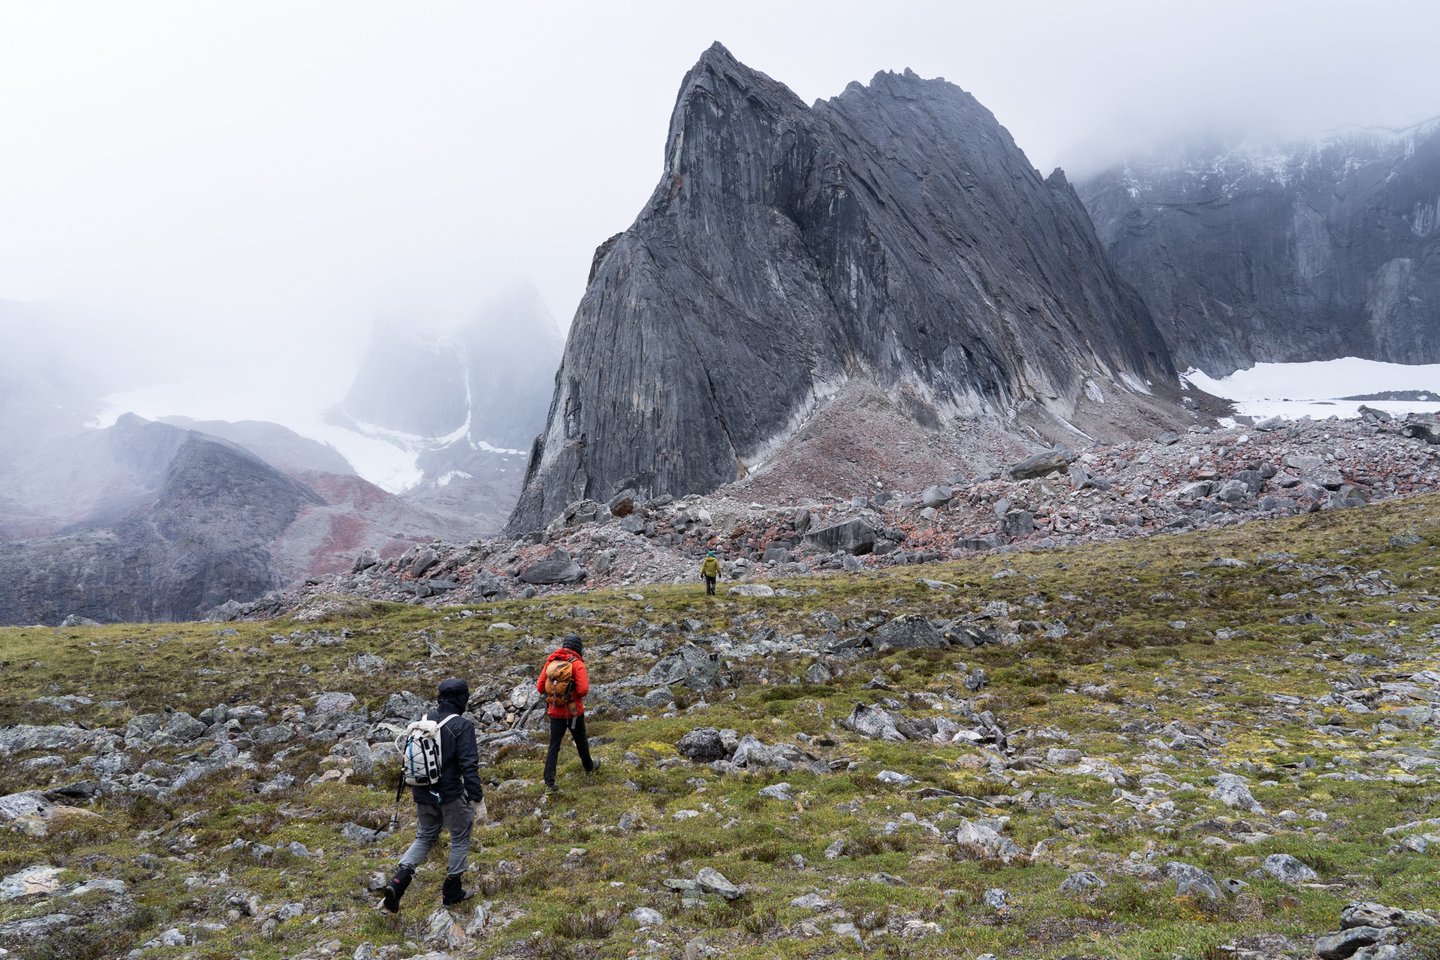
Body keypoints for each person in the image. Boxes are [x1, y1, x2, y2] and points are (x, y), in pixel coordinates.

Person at [380, 677, 484, 912]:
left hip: (422, 793)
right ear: (461, 699)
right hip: (450, 795)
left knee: (425, 837)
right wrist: (477, 799)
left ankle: (398, 882)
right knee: (459, 837)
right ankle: (452, 892)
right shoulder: (461, 725)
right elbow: (469, 765)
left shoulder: (423, 721)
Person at [537, 635, 594, 791]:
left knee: (554, 746)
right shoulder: (578, 665)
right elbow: (583, 690)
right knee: (581, 740)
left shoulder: (551, 662)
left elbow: (540, 687)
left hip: (555, 712)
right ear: (578, 648)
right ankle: (589, 768)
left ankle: (549, 781)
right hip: (574, 713)